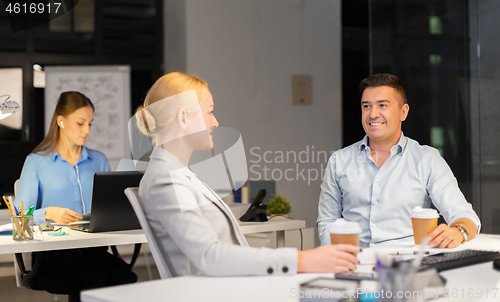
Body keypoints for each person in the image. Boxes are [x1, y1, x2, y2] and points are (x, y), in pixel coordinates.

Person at [136, 72, 360, 277]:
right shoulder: (166, 180)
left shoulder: (178, 174)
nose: (216, 122)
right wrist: (302, 259)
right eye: (210, 112)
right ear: (184, 118)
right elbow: (209, 256)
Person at [317, 73, 480, 249]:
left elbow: (466, 217)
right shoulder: (339, 160)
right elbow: (327, 222)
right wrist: (335, 258)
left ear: (403, 112)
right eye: (366, 106)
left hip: (409, 265)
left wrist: (458, 232)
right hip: (354, 263)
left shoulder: (427, 160)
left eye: (382, 105)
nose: (373, 114)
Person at [15, 91, 136, 298]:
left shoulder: (99, 160)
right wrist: (48, 213)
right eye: (80, 123)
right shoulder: (36, 162)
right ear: (61, 122)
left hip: (92, 251)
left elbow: (109, 208)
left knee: (124, 276)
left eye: (90, 123)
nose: (87, 130)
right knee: (95, 278)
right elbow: (19, 220)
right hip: (51, 256)